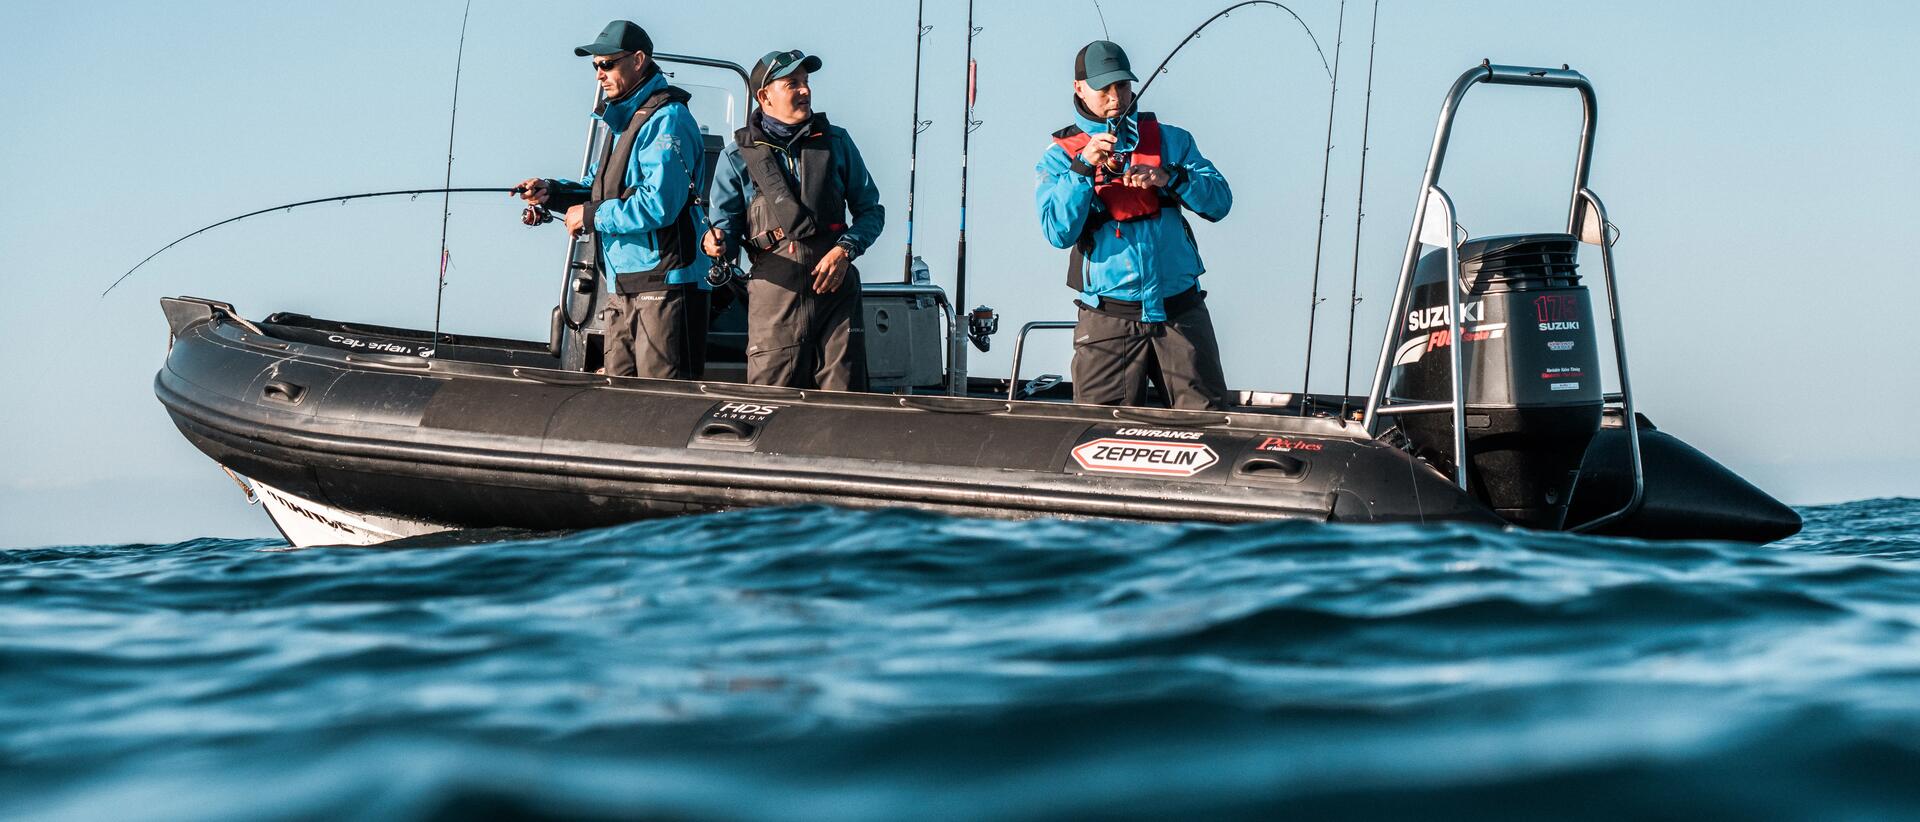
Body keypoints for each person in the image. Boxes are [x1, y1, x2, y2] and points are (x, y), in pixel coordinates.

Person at [1035, 40, 1234, 410]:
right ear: (1079, 88)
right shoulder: (1060, 157)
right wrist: (1083, 168)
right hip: (1108, 321)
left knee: (1208, 430)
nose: (1115, 96)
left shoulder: (1174, 141)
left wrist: (1169, 177)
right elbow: (1057, 231)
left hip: (1181, 313)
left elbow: (1220, 202)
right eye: (1104, 88)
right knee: (1097, 435)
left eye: (1122, 86)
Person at [514, 20, 710, 379]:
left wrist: (591, 217)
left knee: (662, 405)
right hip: (622, 286)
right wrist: (551, 192)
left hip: (666, 285)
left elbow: (659, 205)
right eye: (595, 67)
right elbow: (595, 189)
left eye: (607, 64)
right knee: (617, 400)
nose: (599, 75)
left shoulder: (669, 119)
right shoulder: (621, 122)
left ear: (637, 60)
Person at [702, 49, 885, 391]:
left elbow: (871, 211)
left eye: (806, 82)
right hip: (774, 297)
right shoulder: (735, 156)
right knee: (772, 404)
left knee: (846, 405)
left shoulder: (838, 142)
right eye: (792, 83)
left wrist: (845, 250)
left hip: (837, 296)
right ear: (764, 96)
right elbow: (723, 226)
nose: (805, 90)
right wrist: (714, 244)